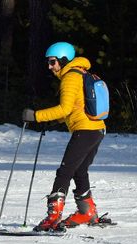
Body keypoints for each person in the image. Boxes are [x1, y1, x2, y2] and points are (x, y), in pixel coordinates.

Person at [22, 42, 106, 232]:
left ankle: (53, 217)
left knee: (65, 171)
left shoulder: (70, 77)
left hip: (85, 130)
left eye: (52, 62)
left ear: (63, 60)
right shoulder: (81, 73)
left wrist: (35, 116)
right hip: (97, 130)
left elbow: (65, 108)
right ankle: (87, 212)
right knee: (79, 170)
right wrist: (52, 120)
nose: (50, 66)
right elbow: (74, 108)